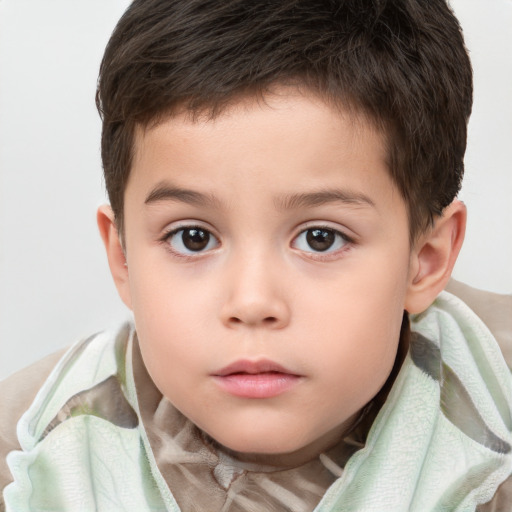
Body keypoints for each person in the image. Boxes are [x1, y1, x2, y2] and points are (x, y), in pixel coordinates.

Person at [1, 0, 511, 510]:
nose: (252, 301)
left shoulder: (498, 406)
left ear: (425, 258)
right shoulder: (28, 455)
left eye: (320, 238)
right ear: (124, 256)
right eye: (192, 238)